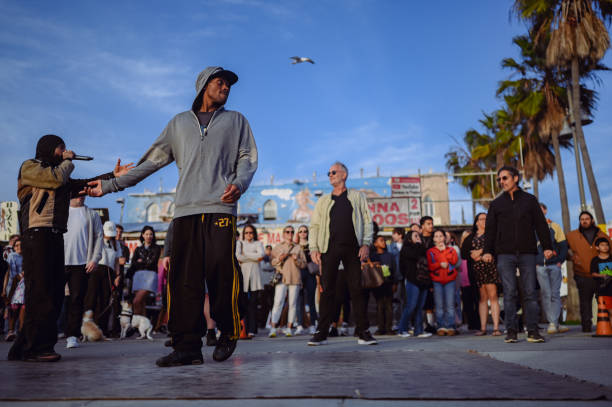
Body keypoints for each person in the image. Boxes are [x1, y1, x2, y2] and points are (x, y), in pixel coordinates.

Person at [85, 66, 257, 366]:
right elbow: (150, 162)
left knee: (222, 273)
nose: (226, 87)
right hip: (186, 212)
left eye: (229, 84)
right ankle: (187, 347)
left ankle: (229, 329)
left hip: (220, 209)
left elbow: (247, 158)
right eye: (220, 82)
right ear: (204, 85)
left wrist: (239, 184)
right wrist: (111, 184)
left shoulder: (236, 121)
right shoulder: (178, 124)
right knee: (183, 282)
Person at [9, 134, 130, 362]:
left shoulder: (61, 175)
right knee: (40, 293)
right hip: (36, 235)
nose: (64, 152)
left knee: (54, 294)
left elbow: (84, 185)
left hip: (55, 236)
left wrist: (113, 176)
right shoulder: (30, 167)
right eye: (60, 148)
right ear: (48, 148)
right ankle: (36, 348)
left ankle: (25, 346)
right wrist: (68, 160)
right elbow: (54, 179)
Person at [308, 162, 376, 346]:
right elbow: (314, 226)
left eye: (333, 172)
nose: (330, 175)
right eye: (328, 172)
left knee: (356, 290)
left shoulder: (357, 197)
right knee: (327, 290)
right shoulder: (323, 200)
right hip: (329, 249)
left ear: (344, 175)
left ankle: (363, 332)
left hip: (353, 249)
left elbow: (368, 221)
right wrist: (313, 247)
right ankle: (321, 332)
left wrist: (366, 244)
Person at [482, 166, 553, 343]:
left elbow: (541, 225)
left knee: (530, 292)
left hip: (527, 252)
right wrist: (487, 251)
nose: (501, 182)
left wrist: (547, 247)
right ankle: (511, 332)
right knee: (509, 292)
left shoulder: (529, 200)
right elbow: (490, 230)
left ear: (515, 178)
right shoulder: (496, 204)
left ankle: (533, 331)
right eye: (499, 179)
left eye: (504, 178)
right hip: (504, 254)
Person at [63, 195, 104, 349]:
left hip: (82, 264)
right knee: (53, 298)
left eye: (83, 194)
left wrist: (95, 259)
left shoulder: (92, 214)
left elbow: (99, 237)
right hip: (60, 261)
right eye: (77, 193)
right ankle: (47, 333)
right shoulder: (61, 211)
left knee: (77, 299)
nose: (80, 197)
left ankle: (72, 336)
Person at [566, 211, 611, 332]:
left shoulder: (602, 236)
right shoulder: (571, 236)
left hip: (602, 275)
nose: (584, 221)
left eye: (587, 219)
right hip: (582, 273)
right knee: (585, 301)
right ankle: (586, 326)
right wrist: (571, 257)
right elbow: (563, 250)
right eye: (582, 219)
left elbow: (609, 253)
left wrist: (607, 274)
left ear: (592, 220)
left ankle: (606, 324)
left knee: (604, 300)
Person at [461, 213, 500, 336]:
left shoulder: (492, 235)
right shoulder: (471, 237)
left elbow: (497, 248)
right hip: (476, 271)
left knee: (493, 296)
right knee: (482, 298)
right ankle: (483, 328)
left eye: (486, 219)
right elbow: (464, 253)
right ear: (476, 222)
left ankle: (496, 328)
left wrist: (481, 252)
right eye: (481, 219)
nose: (484, 221)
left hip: (490, 268)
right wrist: (474, 256)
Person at [535, 203, 569, 334]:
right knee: (546, 294)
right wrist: (535, 262)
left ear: (545, 210)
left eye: (540, 209)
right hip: (540, 266)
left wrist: (560, 260)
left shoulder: (555, 226)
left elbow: (563, 246)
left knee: (555, 294)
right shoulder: (530, 228)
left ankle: (555, 323)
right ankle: (552, 322)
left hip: (555, 265)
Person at [83, 221, 121, 336]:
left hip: (109, 272)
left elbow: (117, 261)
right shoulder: (96, 240)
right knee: (92, 298)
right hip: (96, 270)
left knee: (105, 299)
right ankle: (86, 327)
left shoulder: (116, 244)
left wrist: (118, 276)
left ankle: (103, 328)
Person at [269, 226, 306, 337]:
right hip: (282, 278)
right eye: (287, 232)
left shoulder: (298, 247)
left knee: (293, 304)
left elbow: (304, 264)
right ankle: (273, 328)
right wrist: (279, 259)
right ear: (284, 234)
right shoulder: (277, 247)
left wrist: (297, 260)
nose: (290, 234)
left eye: (292, 232)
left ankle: (289, 328)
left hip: (294, 278)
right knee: (278, 303)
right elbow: (272, 262)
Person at [397, 231, 433, 338]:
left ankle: (419, 331)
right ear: (409, 239)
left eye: (419, 236)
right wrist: (418, 244)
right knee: (411, 306)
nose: (418, 238)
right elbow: (414, 256)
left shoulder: (422, 248)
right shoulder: (406, 249)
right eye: (415, 236)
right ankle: (402, 329)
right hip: (412, 281)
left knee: (420, 307)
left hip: (424, 281)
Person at [427, 229, 459, 335]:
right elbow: (431, 266)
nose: (439, 238)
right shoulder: (431, 251)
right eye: (436, 236)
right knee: (439, 305)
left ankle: (450, 326)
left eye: (441, 236)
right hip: (437, 280)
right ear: (433, 239)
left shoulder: (451, 250)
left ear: (445, 238)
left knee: (450, 304)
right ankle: (440, 326)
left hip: (450, 280)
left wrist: (444, 251)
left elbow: (454, 261)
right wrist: (440, 264)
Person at [236, 224, 264, 337]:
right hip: (243, 275)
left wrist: (246, 255)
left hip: (255, 276)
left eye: (251, 232)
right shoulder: (240, 243)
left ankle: (252, 329)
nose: (249, 235)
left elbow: (261, 255)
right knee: (243, 304)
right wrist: (254, 257)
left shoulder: (258, 243)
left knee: (253, 304)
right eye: (246, 232)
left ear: (254, 233)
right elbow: (238, 256)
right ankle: (244, 329)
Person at [127, 226, 161, 317]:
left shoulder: (157, 248)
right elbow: (133, 263)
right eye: (146, 234)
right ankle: (143, 328)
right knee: (141, 303)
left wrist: (140, 262)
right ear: (142, 235)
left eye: (151, 234)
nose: (149, 236)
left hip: (150, 276)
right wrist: (141, 262)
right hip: (138, 276)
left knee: (136, 301)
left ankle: (136, 324)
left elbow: (152, 263)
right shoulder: (138, 249)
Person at [370, 235, 398, 335]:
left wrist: (395, 283)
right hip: (377, 284)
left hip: (388, 283)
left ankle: (389, 328)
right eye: (381, 240)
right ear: (375, 244)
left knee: (389, 306)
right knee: (379, 305)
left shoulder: (389, 255)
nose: (384, 242)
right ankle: (380, 328)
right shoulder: (372, 256)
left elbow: (394, 269)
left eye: (384, 240)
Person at [296, 225, 318, 334]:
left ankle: (312, 324)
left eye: (305, 231)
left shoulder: (312, 245)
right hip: (298, 273)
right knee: (299, 299)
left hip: (310, 272)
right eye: (301, 231)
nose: (303, 233)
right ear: (298, 233)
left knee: (311, 300)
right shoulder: (295, 246)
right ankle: (300, 324)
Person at [4, 237, 24, 341]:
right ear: (14, 247)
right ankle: (10, 331)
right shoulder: (12, 256)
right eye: (16, 246)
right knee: (12, 308)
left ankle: (18, 331)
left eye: (21, 245)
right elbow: (10, 273)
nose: (19, 247)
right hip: (14, 286)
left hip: (23, 287)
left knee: (22, 308)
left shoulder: (26, 256)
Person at [388, 228, 405, 329]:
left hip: (406, 276)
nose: (393, 236)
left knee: (406, 301)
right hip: (396, 276)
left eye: (394, 234)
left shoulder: (406, 245)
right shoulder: (390, 247)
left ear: (400, 235)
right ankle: (396, 322)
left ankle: (405, 322)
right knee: (396, 301)